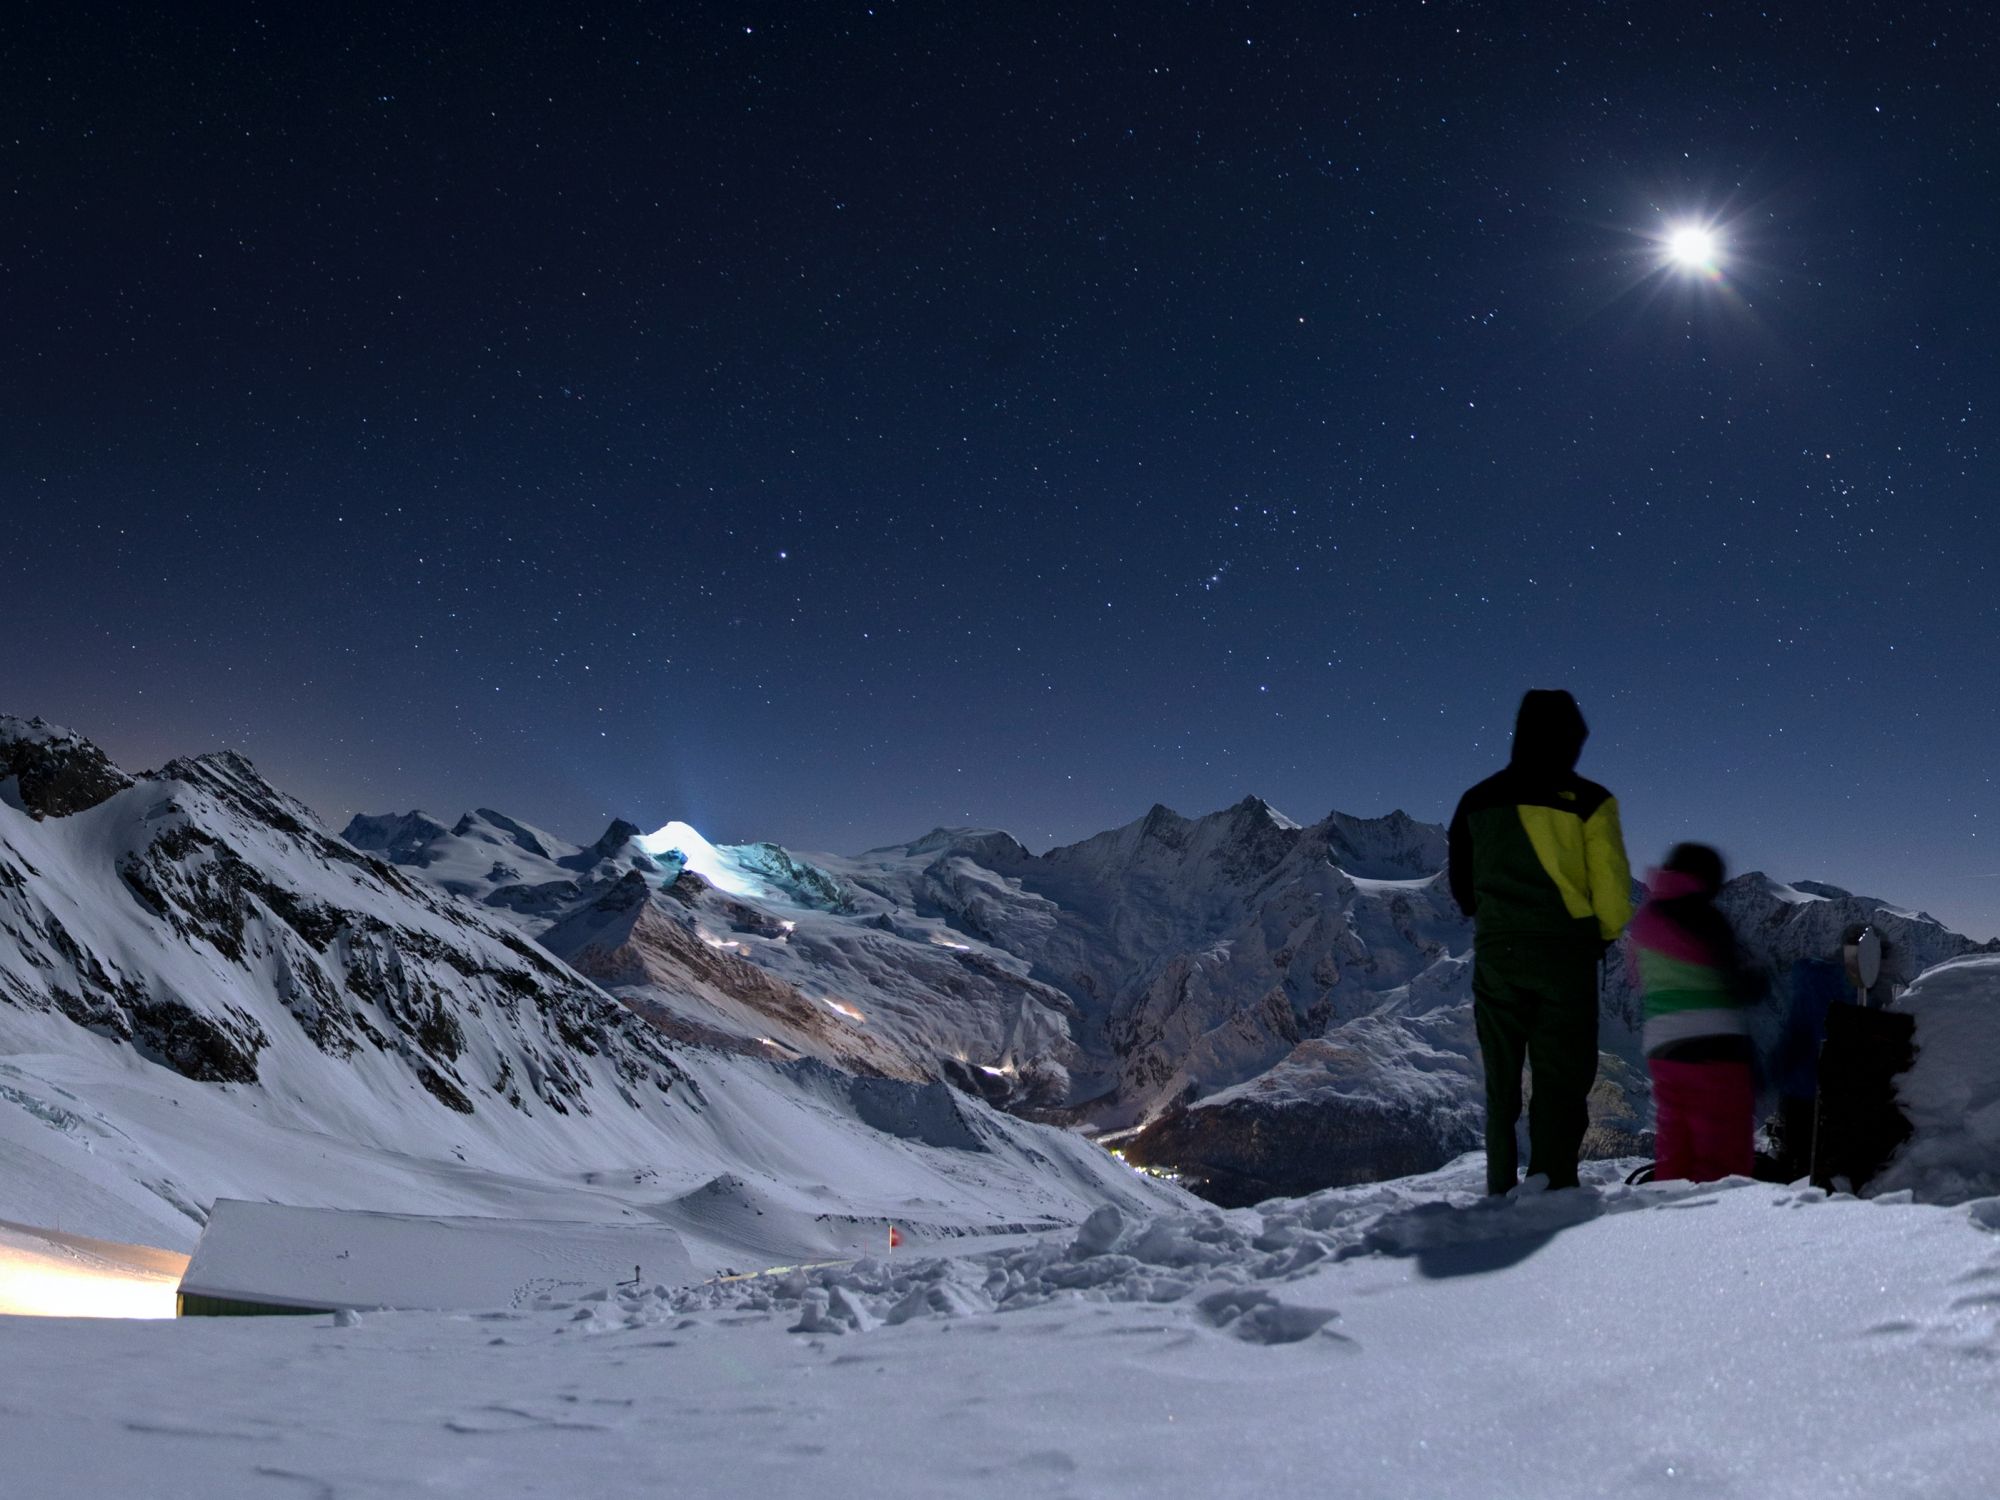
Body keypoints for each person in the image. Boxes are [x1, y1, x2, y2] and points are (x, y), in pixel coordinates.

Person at [1448, 689, 1633, 1195]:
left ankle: (1498, 1190)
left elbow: (1462, 889)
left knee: (1501, 1083)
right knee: (1560, 1082)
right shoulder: (1593, 802)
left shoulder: (1476, 800)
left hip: (1497, 955)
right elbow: (1613, 891)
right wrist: (1601, 935)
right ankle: (1551, 1189)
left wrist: (1497, 917)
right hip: (1565, 957)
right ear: (1573, 740)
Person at [1628, 843, 1759, 1182]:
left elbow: (1636, 978)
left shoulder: (1645, 919)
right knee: (1722, 1153)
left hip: (1663, 1049)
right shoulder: (1703, 916)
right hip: (1715, 1046)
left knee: (1676, 1145)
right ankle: (1721, 1226)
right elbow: (1734, 981)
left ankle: (1669, 1217)